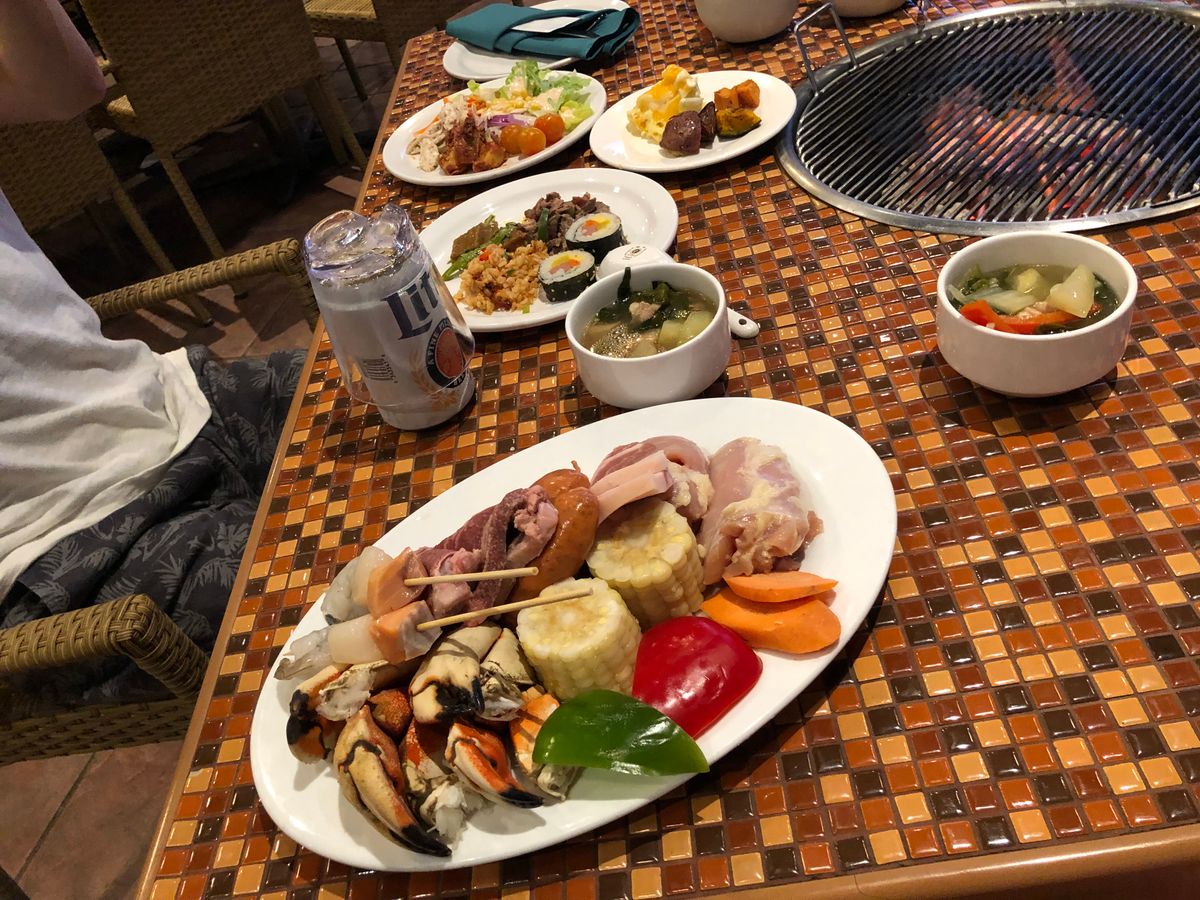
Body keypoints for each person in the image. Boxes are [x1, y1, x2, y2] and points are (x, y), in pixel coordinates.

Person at [0, 0, 306, 715]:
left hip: (174, 398)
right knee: (389, 594)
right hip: (63, 549)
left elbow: (67, 86)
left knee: (431, 388)